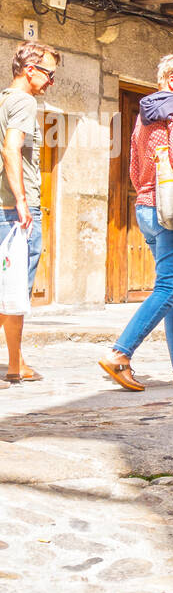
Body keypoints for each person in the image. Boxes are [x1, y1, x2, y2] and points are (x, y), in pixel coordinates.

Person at [98, 53, 173, 391]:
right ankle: (120, 353)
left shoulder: (145, 113)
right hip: (171, 211)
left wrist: (147, 194)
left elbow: (135, 167)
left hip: (147, 208)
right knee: (171, 286)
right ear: (172, 81)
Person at [0, 40, 61, 386]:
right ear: (30, 70)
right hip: (16, 209)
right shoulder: (23, 101)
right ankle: (14, 363)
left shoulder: (4, 99)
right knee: (14, 291)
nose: (51, 82)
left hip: (5, 205)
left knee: (9, 290)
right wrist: (22, 201)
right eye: (49, 75)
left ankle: (16, 363)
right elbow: (11, 149)